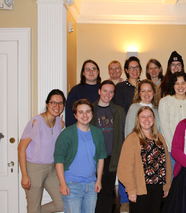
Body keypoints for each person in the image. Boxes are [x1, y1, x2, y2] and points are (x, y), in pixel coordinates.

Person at [54, 99, 106, 213]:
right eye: (81, 112)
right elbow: (59, 160)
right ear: (75, 115)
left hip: (91, 184)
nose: (85, 115)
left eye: (88, 111)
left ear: (92, 114)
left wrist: (98, 180)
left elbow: (100, 158)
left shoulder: (97, 133)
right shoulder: (66, 134)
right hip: (72, 184)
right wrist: (63, 184)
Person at [18, 89, 65, 213]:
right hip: (35, 169)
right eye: (53, 103)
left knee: (62, 203)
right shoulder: (36, 122)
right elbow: (21, 148)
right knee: (33, 207)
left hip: (51, 168)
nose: (57, 106)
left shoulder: (59, 123)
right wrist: (24, 175)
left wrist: (61, 125)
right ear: (47, 104)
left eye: (60, 103)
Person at [117, 106, 172, 213]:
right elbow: (124, 168)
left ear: (154, 119)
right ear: (138, 120)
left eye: (149, 116)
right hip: (140, 188)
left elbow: (167, 164)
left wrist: (166, 185)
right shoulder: (132, 139)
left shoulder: (160, 138)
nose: (146, 119)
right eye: (143, 117)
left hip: (158, 187)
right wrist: (131, 190)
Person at [112, 56, 142, 212]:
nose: (134, 70)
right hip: (127, 131)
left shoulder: (145, 86)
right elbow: (120, 111)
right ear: (126, 70)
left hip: (144, 133)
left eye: (137, 67)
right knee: (127, 166)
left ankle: (139, 196)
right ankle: (125, 200)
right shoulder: (121, 87)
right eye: (131, 67)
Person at [90, 80, 125, 213]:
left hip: (111, 158)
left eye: (111, 92)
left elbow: (122, 134)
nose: (107, 94)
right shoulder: (90, 110)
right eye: (105, 90)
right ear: (99, 91)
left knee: (107, 193)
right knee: (93, 192)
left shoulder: (119, 111)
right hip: (93, 158)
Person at [158, 72, 186, 172]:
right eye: (177, 83)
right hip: (171, 151)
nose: (180, 86)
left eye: (183, 83)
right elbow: (165, 129)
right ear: (173, 85)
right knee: (173, 182)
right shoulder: (165, 102)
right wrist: (176, 149)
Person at [66, 59, 102, 127]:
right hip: (81, 130)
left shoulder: (104, 90)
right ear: (83, 73)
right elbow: (70, 115)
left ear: (98, 71)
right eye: (87, 69)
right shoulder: (75, 91)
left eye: (93, 69)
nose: (91, 72)